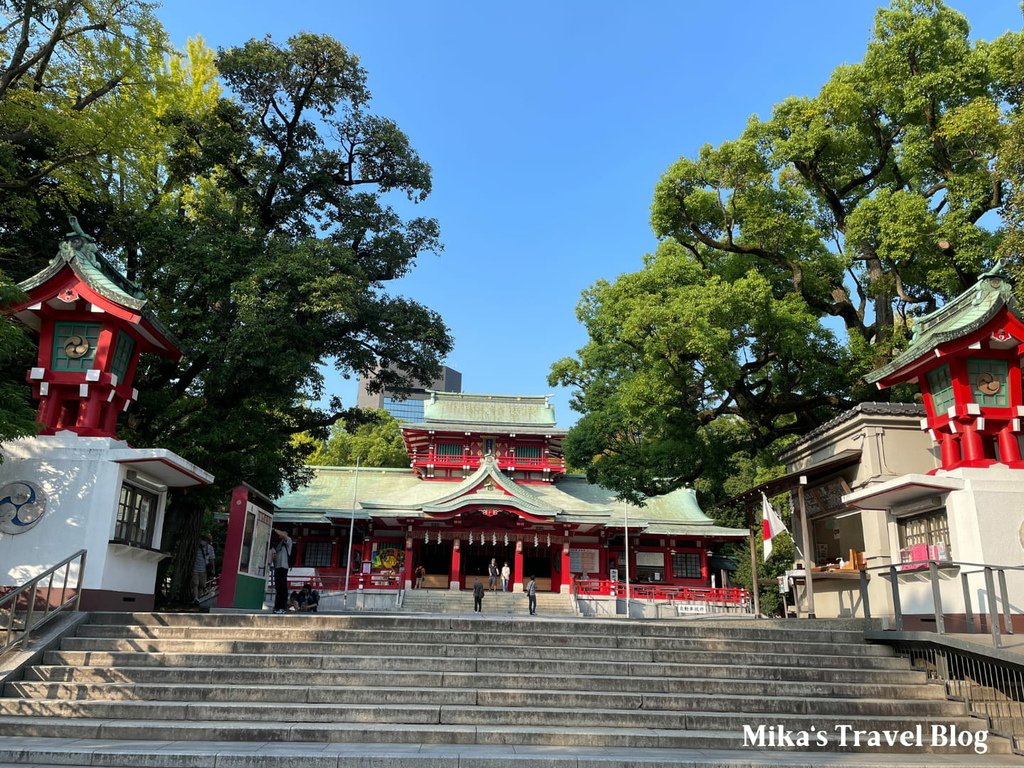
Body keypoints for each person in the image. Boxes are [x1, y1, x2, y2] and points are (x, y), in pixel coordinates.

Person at [271, 528, 292, 614]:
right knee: (278, 588)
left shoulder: (288, 540)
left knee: (283, 588)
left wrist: (274, 529)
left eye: (283, 531)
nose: (281, 534)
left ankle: (282, 607)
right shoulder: (279, 544)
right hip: (277, 567)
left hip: (284, 567)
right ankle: (277, 607)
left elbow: (284, 535)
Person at [191, 533, 215, 604]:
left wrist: (213, 569)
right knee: (195, 583)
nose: (203, 541)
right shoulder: (195, 547)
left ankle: (200, 599)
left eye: (205, 540)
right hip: (195, 568)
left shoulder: (210, 548)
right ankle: (195, 598)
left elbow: (212, 559)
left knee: (201, 585)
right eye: (203, 539)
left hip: (204, 570)